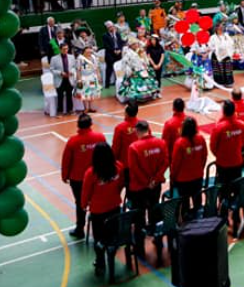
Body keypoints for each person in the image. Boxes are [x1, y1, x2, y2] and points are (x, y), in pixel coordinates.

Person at [126, 120, 169, 258]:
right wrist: (155, 180)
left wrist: (146, 182)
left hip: (139, 188)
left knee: (139, 218)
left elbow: (134, 169)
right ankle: (158, 239)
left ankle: (139, 249)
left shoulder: (134, 147)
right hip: (155, 186)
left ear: (137, 131)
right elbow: (165, 162)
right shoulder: (161, 143)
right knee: (154, 210)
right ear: (149, 129)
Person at [82, 142, 126, 274]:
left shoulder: (91, 173)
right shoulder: (118, 167)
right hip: (114, 208)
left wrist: (84, 205)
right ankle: (111, 256)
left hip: (98, 212)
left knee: (99, 239)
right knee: (112, 235)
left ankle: (101, 263)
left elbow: (85, 194)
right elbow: (121, 184)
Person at [61, 114, 107, 238]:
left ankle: (80, 228)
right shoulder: (100, 137)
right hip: (98, 176)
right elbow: (106, 154)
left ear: (78, 125)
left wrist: (64, 176)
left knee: (80, 204)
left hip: (78, 179)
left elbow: (66, 160)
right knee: (100, 200)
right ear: (91, 124)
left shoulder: (73, 141)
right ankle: (103, 227)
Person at [211, 100, 244, 235]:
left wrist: (221, 156)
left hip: (223, 165)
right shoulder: (242, 125)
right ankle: (236, 215)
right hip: (237, 163)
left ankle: (224, 218)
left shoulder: (219, 128)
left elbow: (213, 147)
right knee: (236, 190)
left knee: (223, 192)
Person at [169, 117, 207, 221]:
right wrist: (200, 169)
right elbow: (204, 157)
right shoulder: (201, 139)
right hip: (198, 177)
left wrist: (173, 178)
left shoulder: (179, 143)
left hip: (183, 181)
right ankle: (199, 225)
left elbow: (175, 164)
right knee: (197, 203)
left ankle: (187, 227)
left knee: (184, 205)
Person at [48, 45, 78, 117]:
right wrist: (60, 73)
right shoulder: (54, 58)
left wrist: (71, 71)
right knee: (60, 96)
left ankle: (70, 110)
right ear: (60, 49)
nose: (66, 50)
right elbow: (51, 69)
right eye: (64, 49)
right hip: (59, 80)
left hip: (69, 79)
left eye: (67, 49)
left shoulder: (72, 57)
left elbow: (74, 67)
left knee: (69, 95)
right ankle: (60, 111)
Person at [112, 103, 141, 172]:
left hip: (125, 164)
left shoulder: (120, 128)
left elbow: (116, 147)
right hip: (140, 162)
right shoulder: (143, 124)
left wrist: (113, 161)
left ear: (126, 113)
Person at [77, 46, 101, 113]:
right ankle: (85, 108)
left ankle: (90, 107)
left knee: (91, 92)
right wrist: (79, 79)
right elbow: (78, 69)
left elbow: (96, 68)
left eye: (90, 52)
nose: (89, 53)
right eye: (87, 52)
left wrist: (98, 76)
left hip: (92, 77)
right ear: (84, 51)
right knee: (84, 93)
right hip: (84, 77)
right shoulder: (80, 58)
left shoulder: (93, 57)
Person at [103, 21, 123, 90]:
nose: (112, 28)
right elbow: (106, 45)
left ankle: (118, 82)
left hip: (118, 53)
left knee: (118, 68)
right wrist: (113, 50)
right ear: (108, 28)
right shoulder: (105, 35)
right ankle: (107, 84)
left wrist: (120, 49)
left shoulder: (117, 34)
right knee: (109, 69)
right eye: (110, 27)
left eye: (112, 26)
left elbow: (120, 42)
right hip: (110, 54)